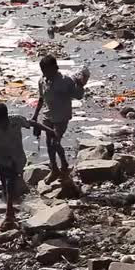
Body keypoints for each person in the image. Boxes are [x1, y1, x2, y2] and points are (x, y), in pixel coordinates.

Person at [0, 103, 56, 231]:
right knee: (7, 186)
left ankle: (9, 215)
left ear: (6, 118)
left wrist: (49, 130)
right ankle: (10, 209)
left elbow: (32, 123)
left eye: (1, 122)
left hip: (17, 158)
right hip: (1, 160)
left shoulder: (16, 120)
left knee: (10, 182)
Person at [32, 55, 90, 183]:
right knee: (49, 143)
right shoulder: (42, 81)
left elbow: (78, 95)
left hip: (62, 116)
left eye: (46, 70)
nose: (44, 73)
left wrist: (80, 84)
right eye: (42, 70)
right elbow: (41, 99)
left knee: (55, 143)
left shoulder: (65, 81)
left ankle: (63, 164)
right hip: (47, 116)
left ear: (54, 68)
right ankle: (55, 168)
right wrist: (35, 116)